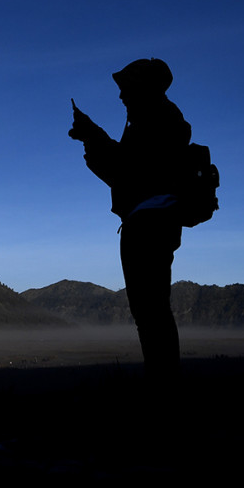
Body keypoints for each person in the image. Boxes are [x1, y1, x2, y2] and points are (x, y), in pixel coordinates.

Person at [68, 58, 190, 381]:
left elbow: (125, 172)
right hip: (154, 223)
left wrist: (90, 135)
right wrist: (91, 136)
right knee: (152, 312)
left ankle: (164, 387)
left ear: (141, 86)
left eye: (125, 89)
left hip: (148, 225)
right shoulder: (160, 118)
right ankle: (164, 383)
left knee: (150, 313)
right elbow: (126, 170)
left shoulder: (154, 120)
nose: (121, 97)